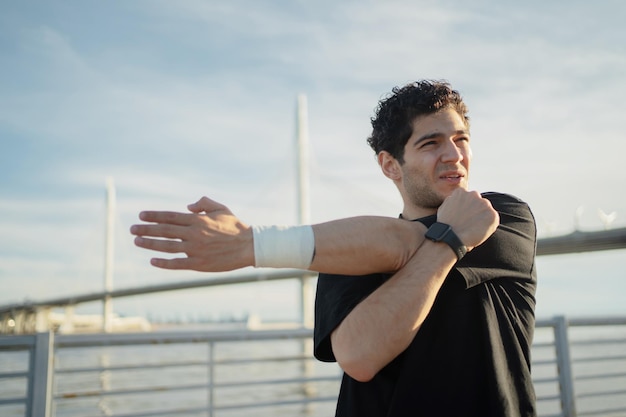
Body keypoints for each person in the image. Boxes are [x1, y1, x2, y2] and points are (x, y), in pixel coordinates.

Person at [130, 80, 537, 417]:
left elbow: (402, 241)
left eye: (461, 139)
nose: (454, 155)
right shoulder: (344, 250)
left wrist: (255, 245)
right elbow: (359, 356)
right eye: (431, 143)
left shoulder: (502, 215)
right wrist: (451, 240)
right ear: (390, 165)